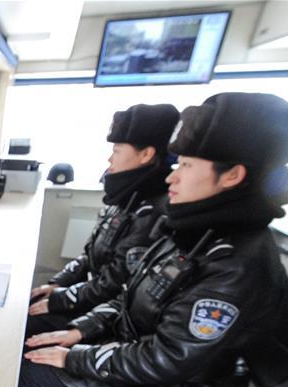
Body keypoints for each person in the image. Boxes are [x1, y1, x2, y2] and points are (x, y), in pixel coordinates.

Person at [6, 92, 288, 387]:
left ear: (232, 176)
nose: (172, 177)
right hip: (149, 374)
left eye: (188, 166)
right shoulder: (198, 231)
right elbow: (126, 296)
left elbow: (166, 359)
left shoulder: (238, 266)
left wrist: (77, 356)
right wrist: (78, 332)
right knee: (40, 346)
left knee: (37, 371)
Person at [27, 104, 180, 337]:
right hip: (88, 299)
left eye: (117, 151)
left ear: (146, 154)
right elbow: (89, 255)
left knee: (22, 325)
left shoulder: (155, 213)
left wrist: (62, 299)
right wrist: (58, 284)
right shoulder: (125, 196)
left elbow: (115, 284)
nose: (110, 159)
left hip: (105, 316)